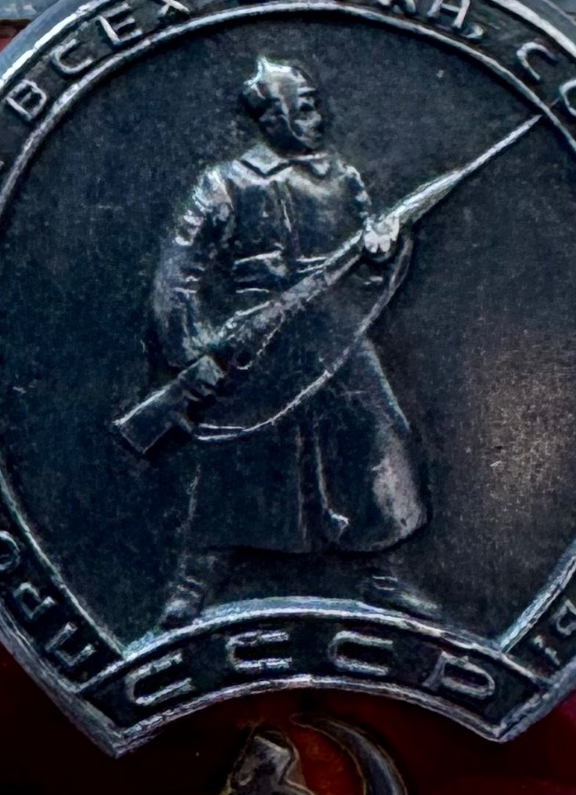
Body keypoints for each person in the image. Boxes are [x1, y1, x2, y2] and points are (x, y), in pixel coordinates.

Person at [148, 57, 431, 625]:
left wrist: (383, 252)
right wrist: (193, 350)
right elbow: (178, 274)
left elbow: (367, 260)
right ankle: (193, 582)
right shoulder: (225, 184)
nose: (317, 117)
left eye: (315, 105)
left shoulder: (342, 179)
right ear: (271, 116)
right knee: (236, 453)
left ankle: (381, 573)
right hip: (258, 339)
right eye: (303, 107)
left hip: (335, 333)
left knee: (374, 435)